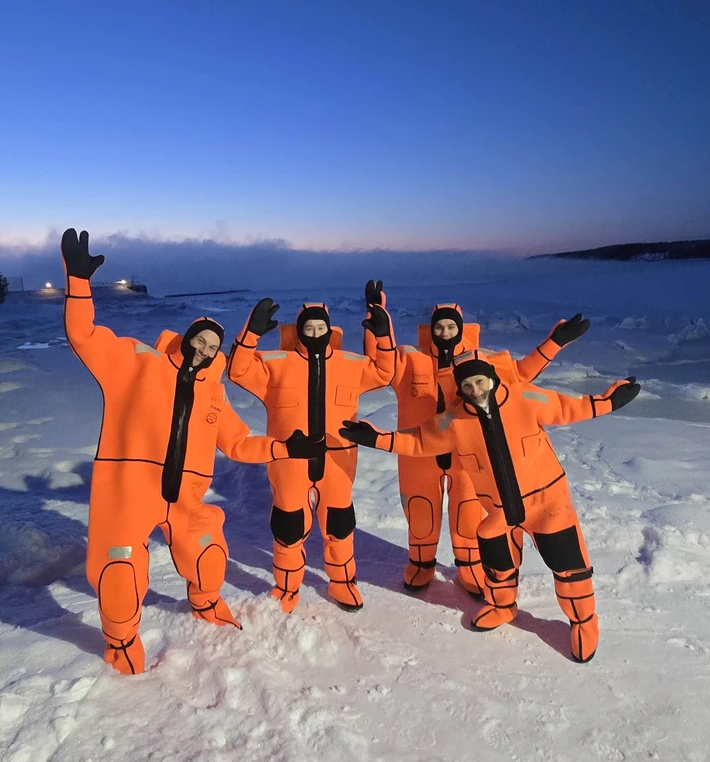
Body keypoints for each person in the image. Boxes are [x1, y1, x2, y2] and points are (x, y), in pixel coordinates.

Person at [62, 230, 322, 675]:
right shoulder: (135, 363)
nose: (203, 351)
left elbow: (239, 443)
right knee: (119, 575)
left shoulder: (215, 396)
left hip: (186, 499)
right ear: (186, 338)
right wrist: (79, 285)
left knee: (208, 557)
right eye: (199, 341)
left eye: (211, 348)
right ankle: (121, 643)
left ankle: (205, 604)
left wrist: (284, 448)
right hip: (130, 494)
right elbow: (83, 335)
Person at [339, 356, 640, 662]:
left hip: (548, 505)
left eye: (480, 382)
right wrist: (374, 437)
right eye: (467, 385)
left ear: (493, 379)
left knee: (570, 569)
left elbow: (572, 408)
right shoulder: (452, 420)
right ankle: (502, 606)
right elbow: (418, 442)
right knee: (498, 568)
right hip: (498, 512)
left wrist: (611, 400)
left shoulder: (526, 397)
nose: (475, 389)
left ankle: (584, 622)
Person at [363, 282, 591, 596]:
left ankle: (469, 565)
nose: (444, 331)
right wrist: (377, 323)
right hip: (418, 453)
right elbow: (380, 364)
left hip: (468, 456)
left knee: (468, 512)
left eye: (450, 326)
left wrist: (554, 343)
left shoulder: (480, 362)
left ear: (460, 329)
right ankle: (421, 562)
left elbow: (521, 374)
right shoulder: (410, 360)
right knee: (420, 510)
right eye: (438, 326)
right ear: (431, 329)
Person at [227, 288, 396, 612]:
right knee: (288, 526)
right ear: (300, 330)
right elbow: (238, 371)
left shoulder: (350, 364)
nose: (315, 333)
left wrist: (383, 335)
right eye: (309, 328)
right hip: (290, 460)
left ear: (329, 330)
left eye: (320, 328)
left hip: (338, 460)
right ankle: (287, 587)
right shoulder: (277, 364)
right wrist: (249, 334)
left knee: (339, 524)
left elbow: (384, 372)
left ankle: (343, 583)